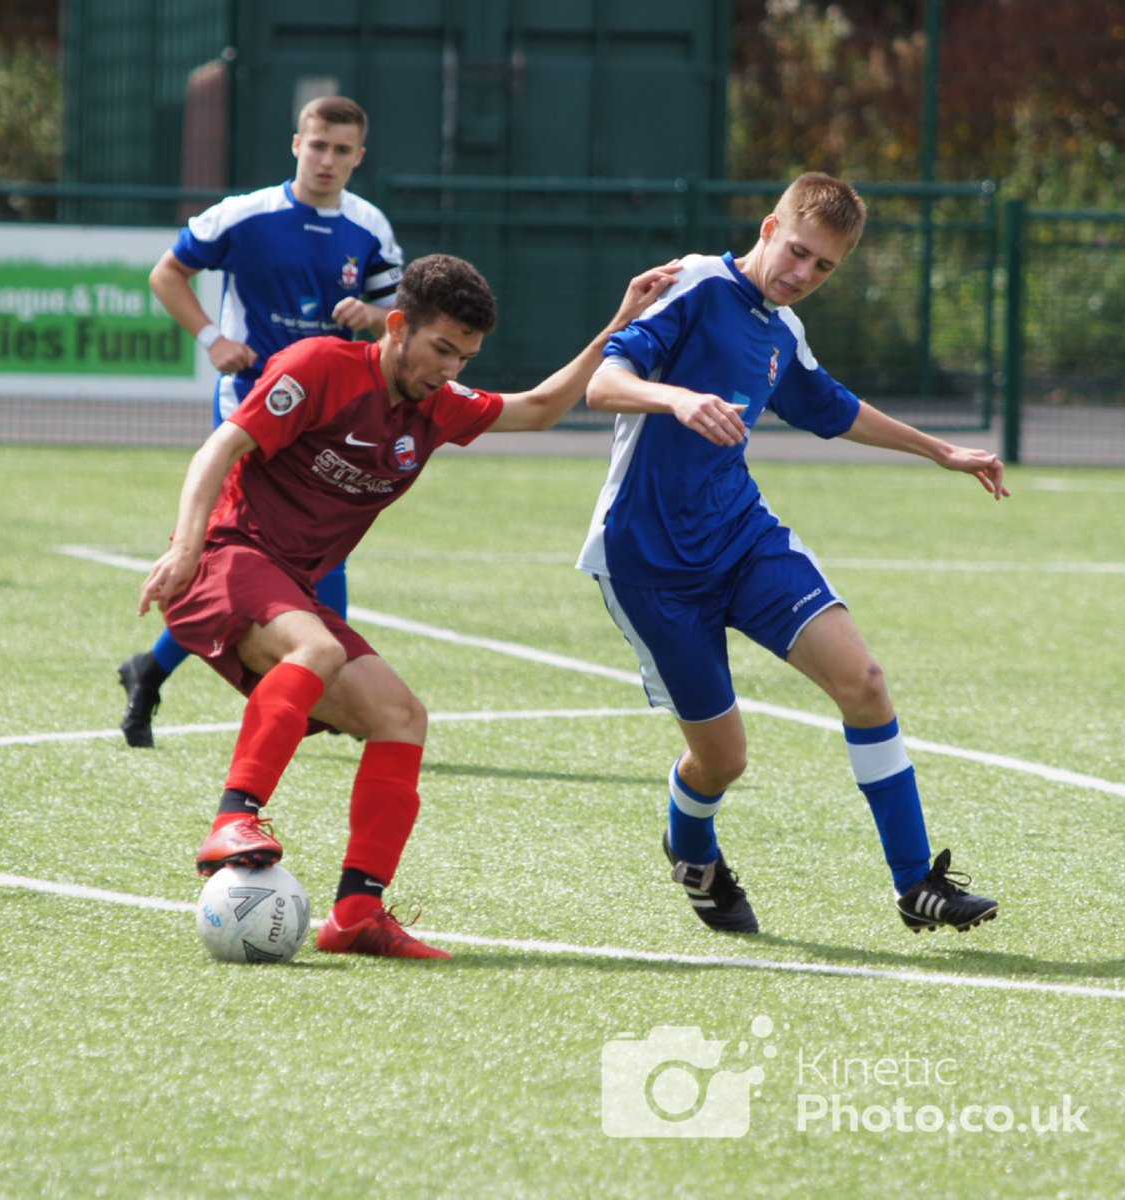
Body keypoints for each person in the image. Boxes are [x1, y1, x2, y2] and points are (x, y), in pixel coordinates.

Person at [137, 253, 680, 959]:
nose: (451, 369)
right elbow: (221, 446)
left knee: (401, 717)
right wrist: (183, 547)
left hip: (286, 586)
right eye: (441, 349)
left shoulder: (437, 408)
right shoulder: (318, 366)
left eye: (466, 355)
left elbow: (543, 408)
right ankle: (233, 820)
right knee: (319, 649)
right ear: (398, 327)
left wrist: (619, 321)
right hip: (224, 557)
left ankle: (358, 912)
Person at [576, 172, 1009, 937]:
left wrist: (940, 450)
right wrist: (677, 397)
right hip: (649, 563)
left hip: (741, 537)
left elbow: (832, 408)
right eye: (800, 252)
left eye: (824, 268)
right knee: (724, 762)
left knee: (865, 683)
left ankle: (917, 885)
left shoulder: (782, 330)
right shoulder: (696, 285)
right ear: (770, 226)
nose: (803, 275)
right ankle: (692, 845)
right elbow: (604, 385)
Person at [118, 95, 403, 748]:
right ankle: (319, 693)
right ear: (295, 144)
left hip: (330, 419)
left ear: (360, 157)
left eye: (342, 150)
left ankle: (152, 669)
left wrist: (377, 318)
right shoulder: (245, 215)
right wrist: (213, 338)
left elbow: (401, 315)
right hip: (255, 411)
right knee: (263, 561)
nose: (327, 159)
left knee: (310, 553)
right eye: (317, 144)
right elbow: (168, 274)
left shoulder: (370, 228)